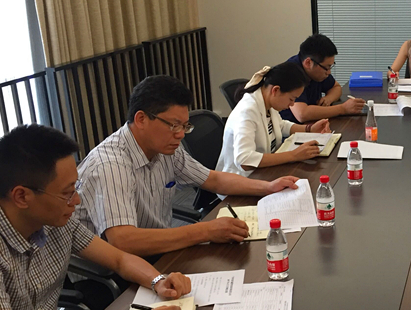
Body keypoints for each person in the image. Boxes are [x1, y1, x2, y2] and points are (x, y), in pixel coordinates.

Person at [0, 125, 191, 310]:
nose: (76, 200)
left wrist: (158, 281)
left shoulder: (53, 219)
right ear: (22, 196)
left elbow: (118, 258)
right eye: (67, 193)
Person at [76, 75, 299, 257]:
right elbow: (123, 241)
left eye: (184, 126)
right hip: (111, 272)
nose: (181, 134)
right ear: (141, 119)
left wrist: (268, 187)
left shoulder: (165, 148)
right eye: (174, 125)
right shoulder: (110, 165)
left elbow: (213, 179)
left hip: (157, 248)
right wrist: (205, 230)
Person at [217, 62, 331, 178]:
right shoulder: (247, 112)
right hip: (241, 179)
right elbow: (244, 160)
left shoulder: (267, 102)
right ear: (275, 90)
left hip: (262, 172)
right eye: (291, 99)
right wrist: (293, 155)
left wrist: (310, 129)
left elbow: (281, 125)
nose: (292, 104)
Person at [279, 34, 366, 124]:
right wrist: (343, 109)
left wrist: (329, 98)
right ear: (308, 63)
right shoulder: (291, 73)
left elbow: (336, 87)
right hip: (292, 129)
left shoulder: (318, 70)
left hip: (313, 124)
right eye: (326, 67)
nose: (329, 72)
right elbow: (302, 114)